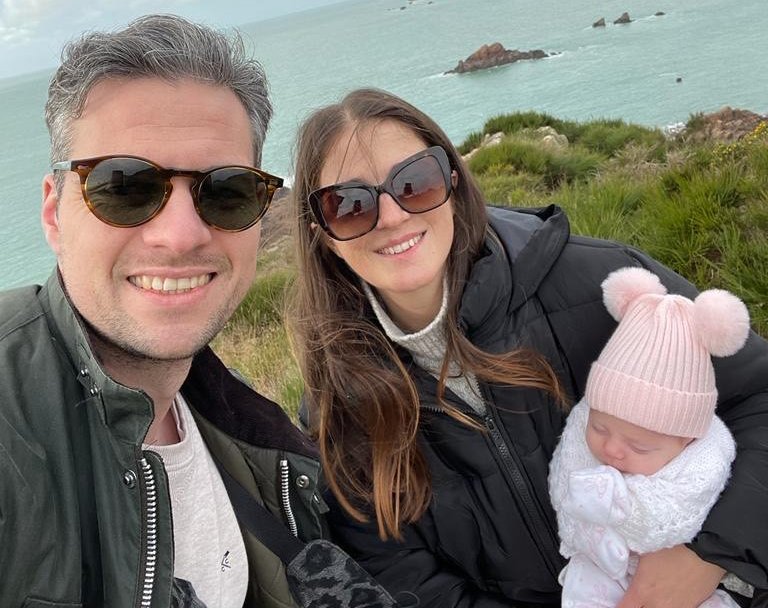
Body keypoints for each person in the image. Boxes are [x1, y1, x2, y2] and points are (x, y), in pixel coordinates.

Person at [286, 87, 768, 608]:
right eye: (350, 204)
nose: (393, 215)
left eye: (414, 181)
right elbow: (405, 581)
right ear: (321, 232)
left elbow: (760, 399)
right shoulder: (338, 408)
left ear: (450, 177)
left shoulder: (598, 285)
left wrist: (708, 555)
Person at [0, 14, 325, 608]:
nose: (180, 236)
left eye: (226, 190)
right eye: (123, 186)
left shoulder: (235, 421)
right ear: (54, 213)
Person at [549, 266, 751, 607]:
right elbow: (567, 488)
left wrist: (613, 500)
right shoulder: (583, 427)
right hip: (596, 575)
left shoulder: (702, 463)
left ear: (686, 441)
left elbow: (668, 513)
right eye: (599, 427)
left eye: (639, 445)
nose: (611, 449)